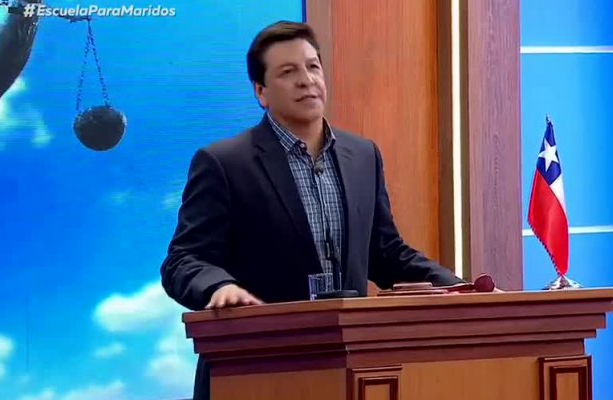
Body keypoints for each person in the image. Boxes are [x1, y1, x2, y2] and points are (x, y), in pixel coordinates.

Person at [160, 20, 464, 400]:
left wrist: (463, 289)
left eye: (312, 67)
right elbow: (183, 260)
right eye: (288, 72)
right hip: (256, 369)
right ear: (261, 92)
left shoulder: (363, 156)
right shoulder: (224, 163)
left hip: (350, 371)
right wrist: (220, 287)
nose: (306, 80)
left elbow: (386, 254)